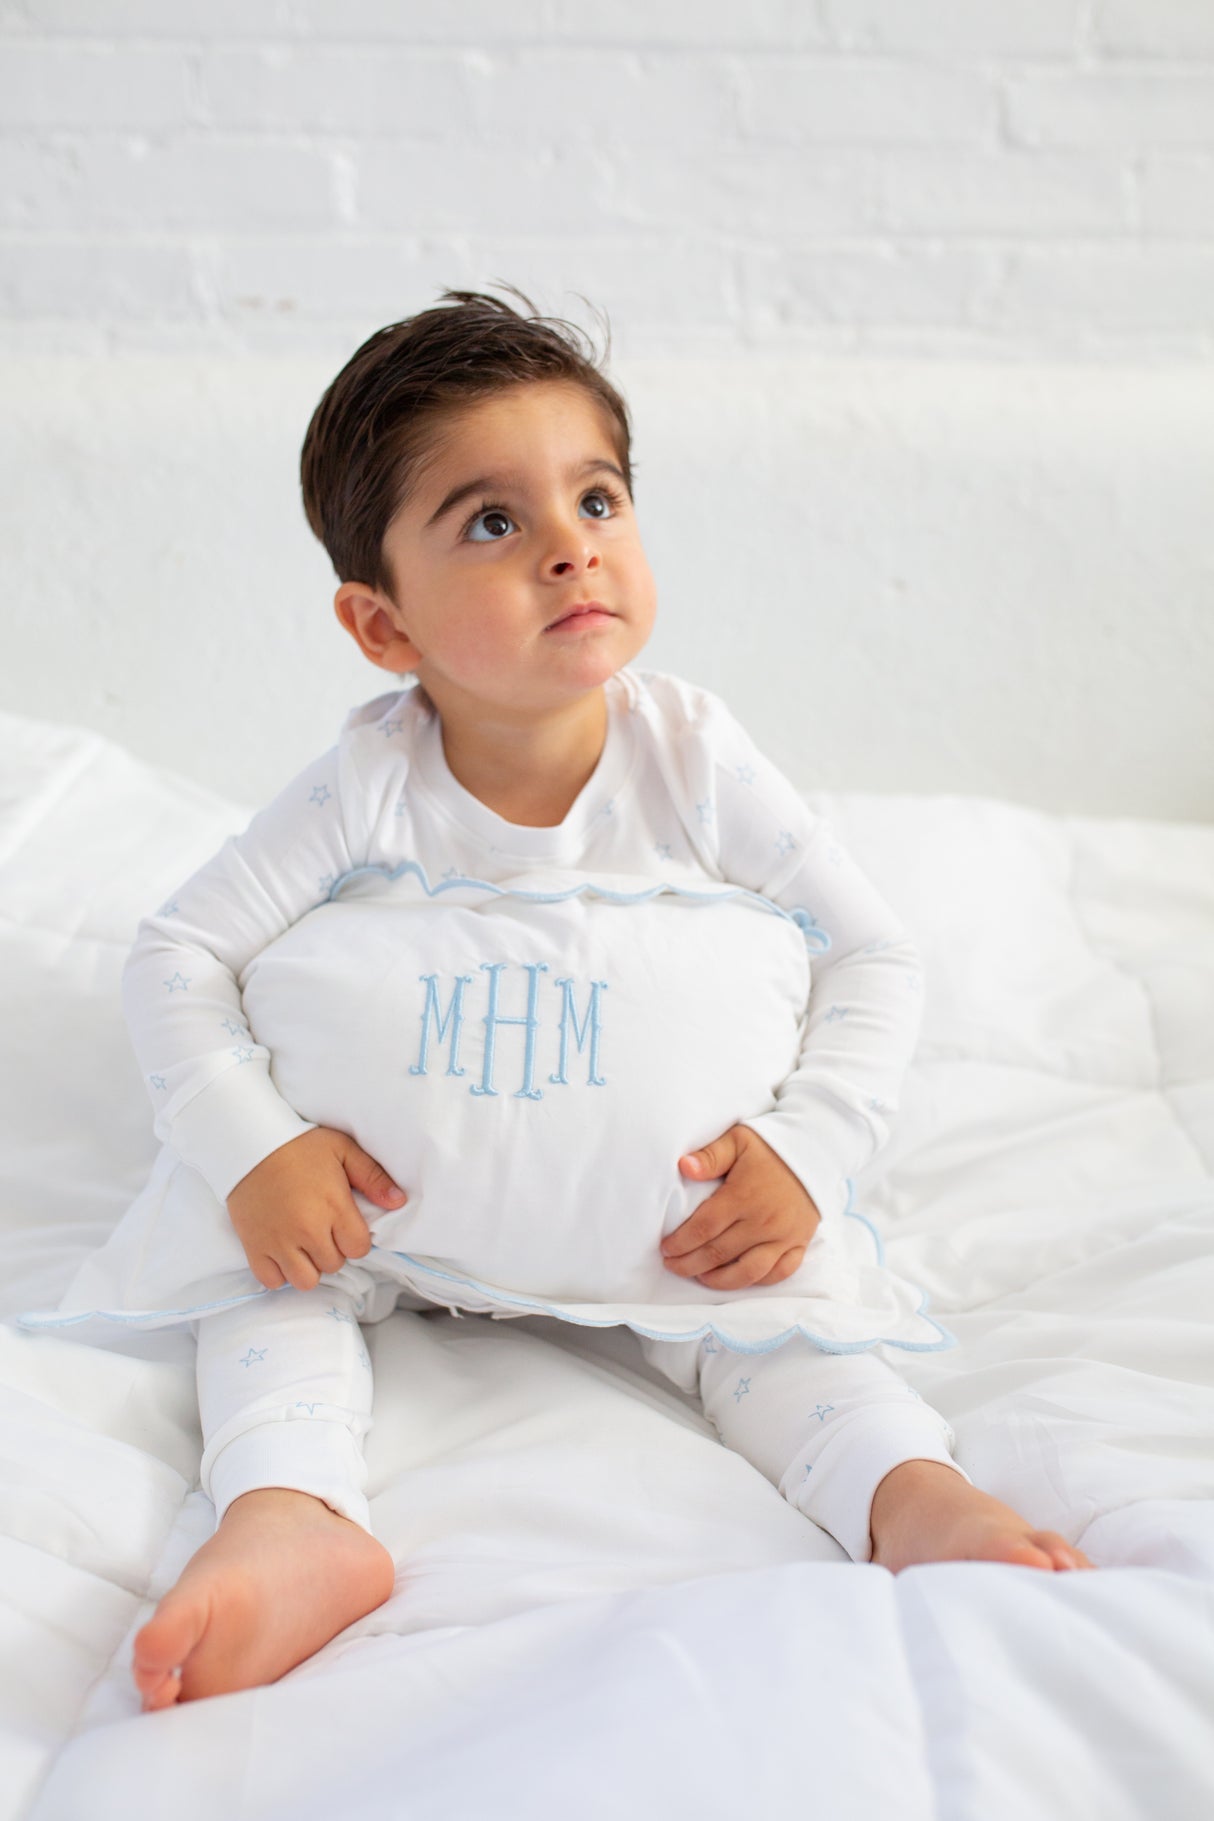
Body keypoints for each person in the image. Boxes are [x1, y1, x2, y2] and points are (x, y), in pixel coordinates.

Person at [17, 285, 1095, 1712]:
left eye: (597, 497)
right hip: (392, 1224)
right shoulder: (364, 783)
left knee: (779, 1316)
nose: (571, 547)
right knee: (260, 1284)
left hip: (665, 1222)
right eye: (490, 521)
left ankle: (906, 1493)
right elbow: (175, 956)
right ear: (380, 624)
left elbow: (872, 955)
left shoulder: (694, 758)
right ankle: (290, 1512)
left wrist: (807, 1152)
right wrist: (257, 1149)